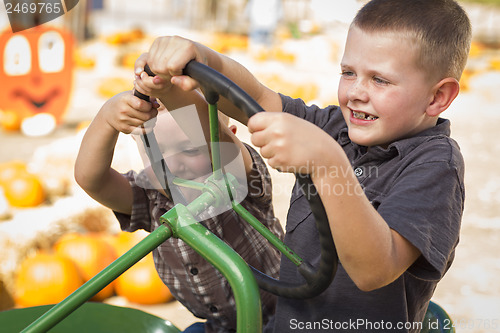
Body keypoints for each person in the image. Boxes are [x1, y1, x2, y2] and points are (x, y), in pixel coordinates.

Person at [129, 0, 470, 331]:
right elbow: (260, 100)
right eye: (348, 72)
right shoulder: (335, 128)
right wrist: (204, 58)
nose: (355, 93)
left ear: (437, 97)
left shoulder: (435, 164)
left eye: (380, 80)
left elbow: (375, 271)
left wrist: (328, 164)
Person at [74, 87, 284, 332]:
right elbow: (91, 179)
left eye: (191, 149)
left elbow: (214, 138)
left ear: (229, 138)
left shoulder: (237, 181)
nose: (172, 166)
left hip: (287, 315)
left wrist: (167, 87)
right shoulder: (151, 198)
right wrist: (106, 118)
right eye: (159, 153)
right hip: (222, 326)